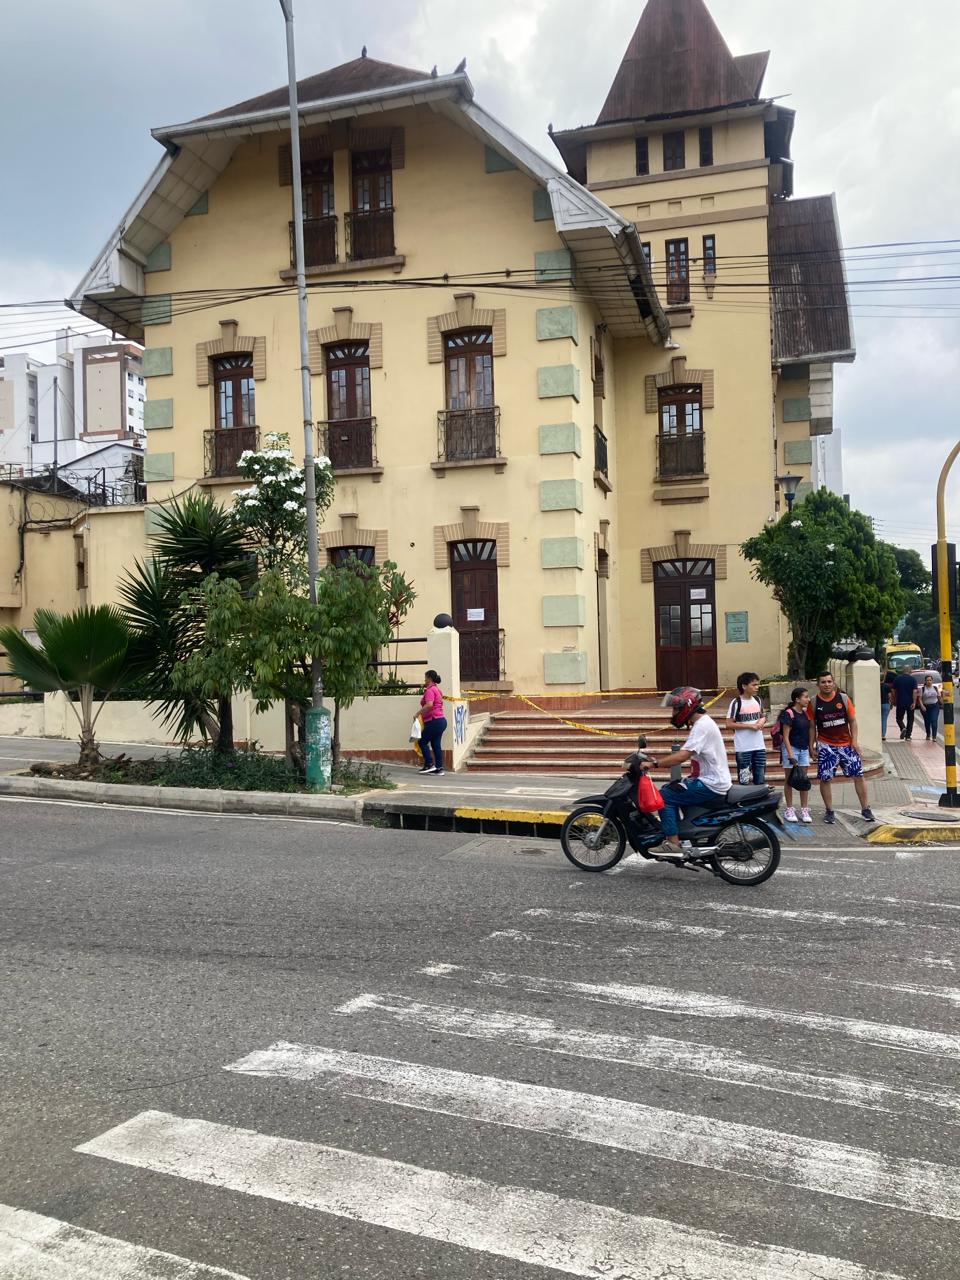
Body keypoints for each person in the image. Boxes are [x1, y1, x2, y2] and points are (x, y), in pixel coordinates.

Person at [656, 687, 732, 854]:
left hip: (712, 783)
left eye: (676, 708)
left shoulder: (701, 726)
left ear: (687, 706)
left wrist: (654, 763)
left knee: (664, 797)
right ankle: (680, 834)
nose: (674, 712)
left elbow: (681, 756)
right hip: (710, 779)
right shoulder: (702, 723)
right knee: (672, 787)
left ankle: (673, 843)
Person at [809, 671, 875, 824]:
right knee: (826, 779)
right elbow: (812, 726)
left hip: (847, 745)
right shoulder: (814, 702)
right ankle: (829, 811)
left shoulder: (844, 699)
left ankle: (866, 809)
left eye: (829, 682)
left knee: (858, 776)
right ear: (818, 684)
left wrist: (855, 741)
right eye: (823, 682)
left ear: (833, 683)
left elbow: (853, 721)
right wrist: (811, 746)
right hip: (826, 746)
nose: (826, 685)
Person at [724, 671, 767, 784]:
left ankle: (760, 800)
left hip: (759, 746)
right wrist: (749, 726)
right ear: (744, 686)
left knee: (760, 778)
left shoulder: (758, 700)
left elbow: (763, 716)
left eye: (757, 684)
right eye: (753, 685)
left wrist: (761, 722)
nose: (757, 687)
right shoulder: (736, 702)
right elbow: (728, 724)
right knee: (744, 780)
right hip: (743, 748)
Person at [779, 687, 813, 823]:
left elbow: (809, 730)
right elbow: (785, 736)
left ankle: (804, 809)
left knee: (803, 779)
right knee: (789, 779)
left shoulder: (806, 714)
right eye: (805, 697)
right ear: (797, 699)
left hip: (803, 749)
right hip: (791, 748)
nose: (808, 699)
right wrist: (791, 754)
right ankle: (789, 808)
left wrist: (810, 748)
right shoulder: (789, 713)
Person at [418, 669, 447, 776]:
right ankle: (439, 768)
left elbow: (429, 704)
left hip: (434, 720)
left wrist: (418, 714)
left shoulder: (430, 690)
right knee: (435, 745)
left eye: (425, 677)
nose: (424, 680)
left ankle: (429, 764)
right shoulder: (437, 690)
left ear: (429, 678)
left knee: (422, 742)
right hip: (441, 720)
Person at [892, 668, 920, 740]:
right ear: (910, 671)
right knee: (910, 719)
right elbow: (914, 691)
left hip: (900, 701)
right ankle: (908, 736)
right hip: (910, 702)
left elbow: (893, 691)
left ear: (902, 671)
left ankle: (903, 727)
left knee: (899, 718)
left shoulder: (897, 679)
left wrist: (894, 700)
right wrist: (914, 702)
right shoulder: (913, 679)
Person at [920, 674, 943, 741]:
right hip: (925, 707)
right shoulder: (923, 689)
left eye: (930, 680)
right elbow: (920, 699)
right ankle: (928, 734)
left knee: (934, 721)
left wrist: (943, 704)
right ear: (925, 681)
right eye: (927, 680)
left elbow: (939, 697)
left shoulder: (935, 688)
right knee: (927, 722)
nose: (929, 681)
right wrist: (922, 706)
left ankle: (934, 736)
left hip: (934, 706)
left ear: (932, 681)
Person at [880, 669, 895, 742]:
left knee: (877, 720)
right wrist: (891, 704)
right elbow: (890, 696)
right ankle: (883, 735)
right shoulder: (886, 686)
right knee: (884, 719)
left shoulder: (875, 685)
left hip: (877, 705)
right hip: (885, 704)